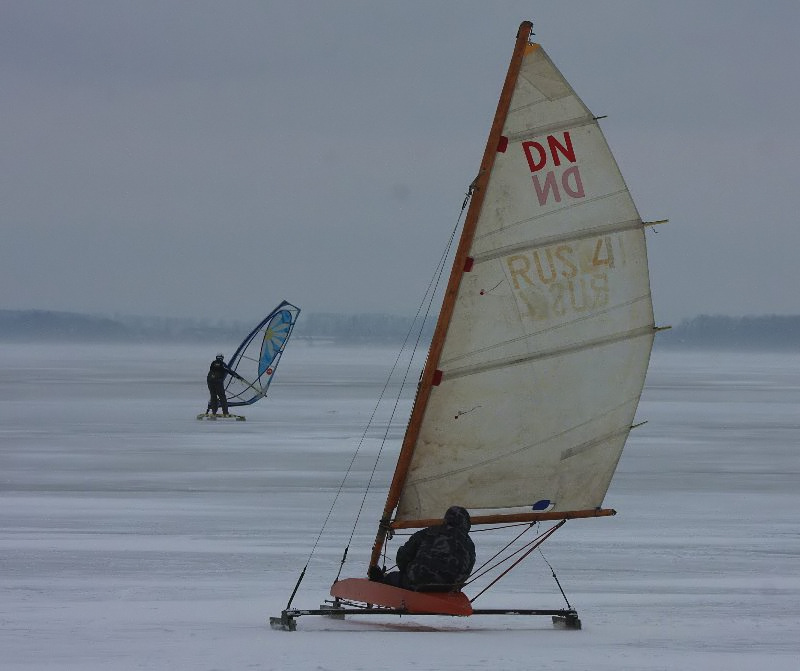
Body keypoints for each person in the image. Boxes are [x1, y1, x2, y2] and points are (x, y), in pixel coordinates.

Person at [369, 505, 476, 592]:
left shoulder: (428, 532)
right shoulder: (468, 543)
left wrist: (407, 572)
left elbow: (403, 557)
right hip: (449, 586)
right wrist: (456, 585)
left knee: (392, 578)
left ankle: (380, 581)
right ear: (466, 524)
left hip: (417, 581)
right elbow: (468, 568)